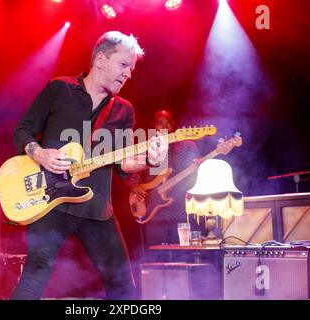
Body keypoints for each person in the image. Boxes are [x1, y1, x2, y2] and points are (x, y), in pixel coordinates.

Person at [10, 31, 168, 300]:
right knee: (36, 275)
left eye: (131, 69)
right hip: (50, 202)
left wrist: (152, 160)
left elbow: (123, 163)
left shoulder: (124, 110)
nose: (128, 74)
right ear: (101, 59)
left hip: (96, 208)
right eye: (123, 65)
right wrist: (40, 154)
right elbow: (23, 130)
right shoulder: (59, 89)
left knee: (123, 288)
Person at [128, 110, 201, 247]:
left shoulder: (186, 146)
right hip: (153, 214)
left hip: (180, 211)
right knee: (155, 257)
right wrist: (135, 187)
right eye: (159, 123)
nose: (164, 127)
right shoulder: (148, 148)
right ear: (153, 126)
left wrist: (197, 167)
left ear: (172, 126)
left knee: (181, 258)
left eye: (168, 124)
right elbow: (133, 175)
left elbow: (194, 177)